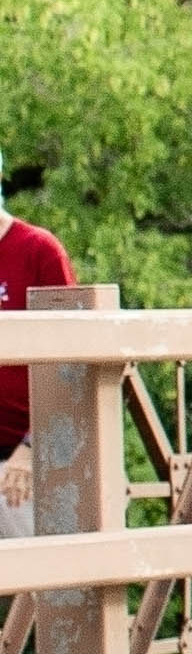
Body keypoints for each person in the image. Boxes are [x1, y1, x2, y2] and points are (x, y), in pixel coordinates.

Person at [0, 197, 77, 532]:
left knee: (33, 557)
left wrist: (32, 447)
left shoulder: (38, 250)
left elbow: (72, 362)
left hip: (26, 458)